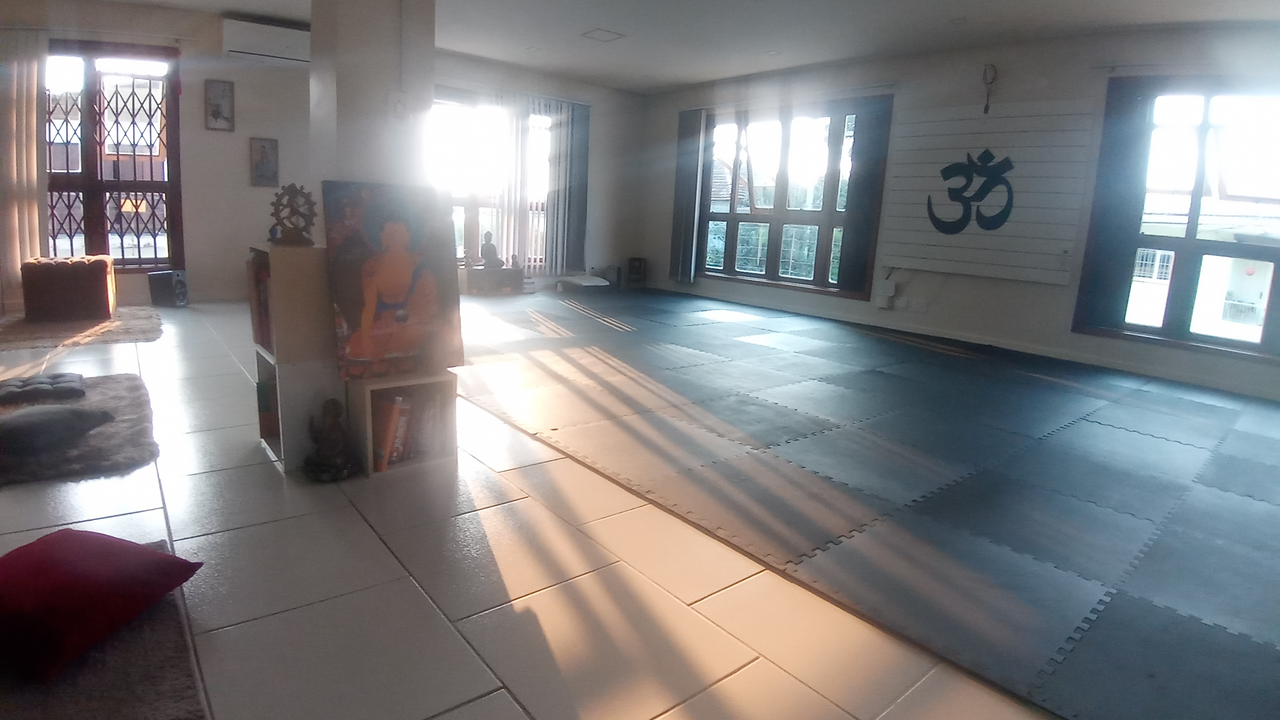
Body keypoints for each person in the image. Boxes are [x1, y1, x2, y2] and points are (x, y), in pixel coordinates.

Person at [346, 208, 440, 360]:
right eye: (390, 234)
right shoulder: (372, 267)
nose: (395, 238)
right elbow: (369, 307)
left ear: (408, 236)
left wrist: (413, 319)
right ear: (382, 237)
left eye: (400, 234)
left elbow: (430, 303)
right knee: (358, 341)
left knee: (439, 332)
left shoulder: (419, 265)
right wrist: (366, 339)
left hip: (416, 321)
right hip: (386, 324)